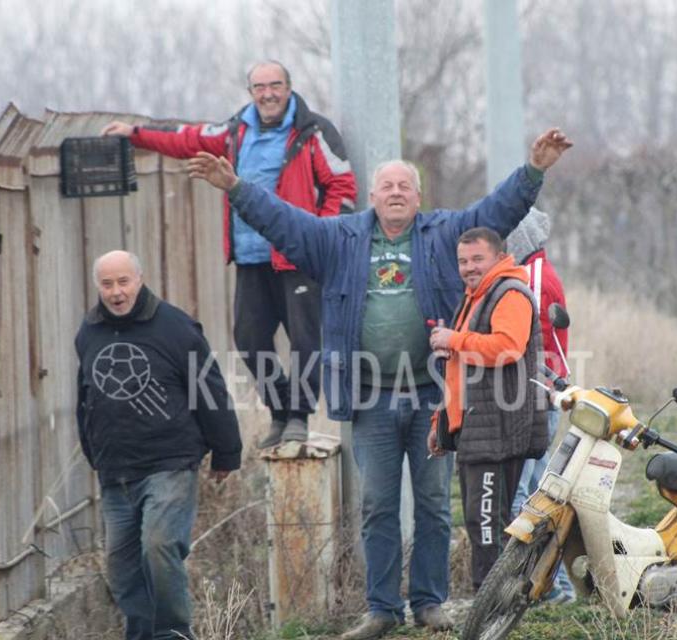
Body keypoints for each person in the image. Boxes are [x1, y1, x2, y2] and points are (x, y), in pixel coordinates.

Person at [184, 128, 571, 639]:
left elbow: (498, 211)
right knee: (378, 506)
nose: (394, 193)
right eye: (386, 186)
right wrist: (236, 188)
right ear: (371, 196)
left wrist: (534, 171)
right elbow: (284, 223)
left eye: (403, 187)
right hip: (369, 398)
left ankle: (429, 603)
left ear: (417, 196)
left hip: (435, 396)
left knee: (434, 505)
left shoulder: (443, 234)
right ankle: (382, 609)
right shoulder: (337, 239)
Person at [102, 61, 357, 448]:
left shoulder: (313, 131)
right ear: (251, 91)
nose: (267, 93)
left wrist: (322, 235)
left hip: (299, 257)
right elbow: (187, 139)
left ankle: (299, 417)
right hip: (251, 256)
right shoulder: (237, 129)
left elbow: (341, 185)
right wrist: (135, 135)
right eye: (259, 86)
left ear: (289, 87)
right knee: (250, 338)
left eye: (275, 85)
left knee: (305, 340)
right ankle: (280, 410)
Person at [75, 250, 242, 640]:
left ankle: (173, 633)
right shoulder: (89, 332)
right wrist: (92, 450)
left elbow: (209, 388)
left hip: (170, 461)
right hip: (116, 469)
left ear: (139, 279)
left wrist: (226, 451)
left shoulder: (175, 326)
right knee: (122, 564)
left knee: (159, 545)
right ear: (98, 286)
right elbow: (85, 397)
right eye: (107, 284)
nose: (116, 292)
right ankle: (141, 633)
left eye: (123, 282)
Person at [426, 227, 549, 591]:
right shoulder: (476, 296)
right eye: (463, 261)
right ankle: (496, 608)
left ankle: (492, 612)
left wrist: (455, 339)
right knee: (483, 529)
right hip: (476, 433)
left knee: (487, 529)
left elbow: (507, 347)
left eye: (477, 259)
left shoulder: (510, 293)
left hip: (499, 433)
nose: (468, 267)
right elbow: (461, 370)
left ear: (499, 257)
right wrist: (442, 422)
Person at [506, 207, 576, 602]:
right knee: (537, 494)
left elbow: (528, 345)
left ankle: (527, 587)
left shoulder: (531, 276)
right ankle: (557, 590)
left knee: (521, 496)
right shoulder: (533, 269)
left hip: (534, 395)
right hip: (539, 393)